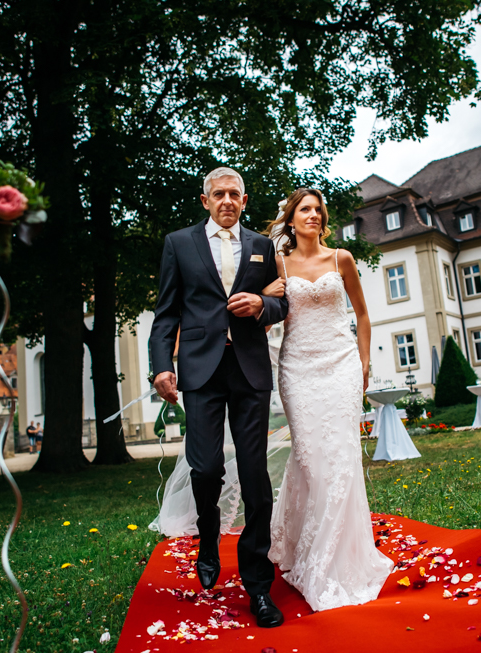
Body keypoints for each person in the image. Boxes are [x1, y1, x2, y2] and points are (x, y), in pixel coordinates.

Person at [149, 167, 289, 629]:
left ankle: (258, 585)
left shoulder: (262, 246)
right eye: (218, 194)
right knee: (206, 468)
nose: (227, 200)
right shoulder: (179, 243)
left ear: (244, 201)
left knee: (255, 478)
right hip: (200, 371)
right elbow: (166, 312)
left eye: (234, 194)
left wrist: (262, 305)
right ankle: (208, 537)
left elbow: (282, 302)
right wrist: (162, 365)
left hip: (250, 369)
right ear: (205, 200)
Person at [262, 188, 393, 611]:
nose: (313, 215)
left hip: (341, 365)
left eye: (318, 210)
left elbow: (362, 313)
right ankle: (301, 543)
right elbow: (264, 319)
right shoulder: (278, 264)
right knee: (309, 457)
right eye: (305, 209)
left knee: (340, 457)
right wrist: (264, 299)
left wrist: (364, 361)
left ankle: (334, 558)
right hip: (297, 369)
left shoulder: (342, 259)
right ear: (291, 218)